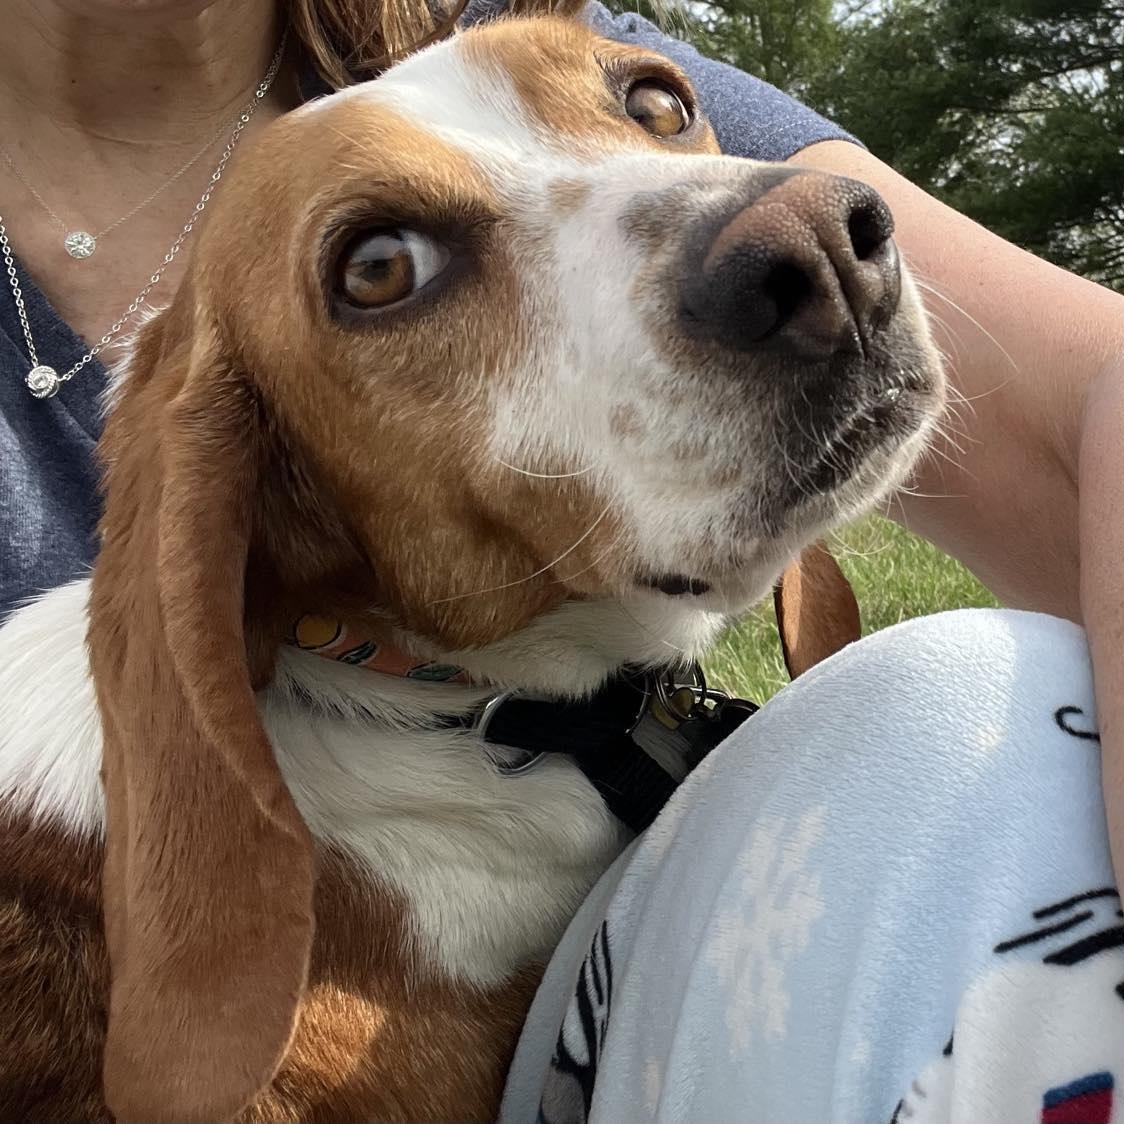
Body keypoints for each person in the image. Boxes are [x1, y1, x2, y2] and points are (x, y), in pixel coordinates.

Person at [2, 0, 1122, 1119]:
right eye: (383, 267)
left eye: (650, 109)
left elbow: (1090, 394)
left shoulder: (493, 20)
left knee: (990, 706)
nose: (772, 231)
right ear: (272, 515)